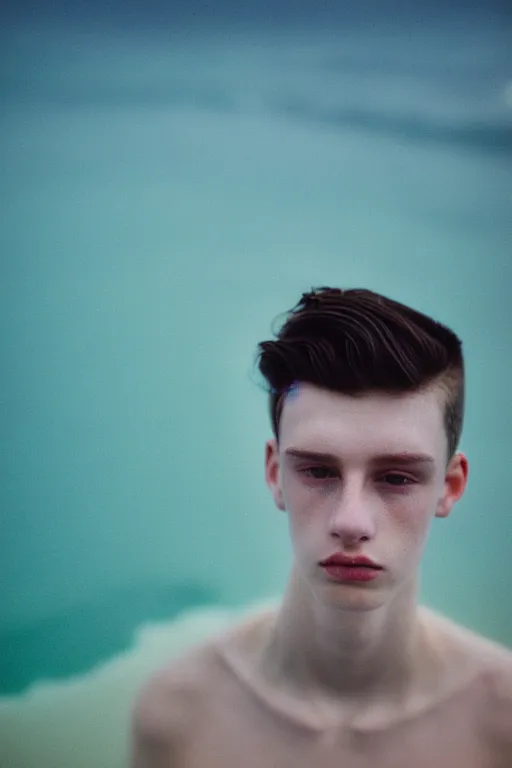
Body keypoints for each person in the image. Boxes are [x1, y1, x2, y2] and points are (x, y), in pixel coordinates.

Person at [130, 286, 512, 767]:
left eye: (396, 477)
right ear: (275, 474)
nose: (350, 521)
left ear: (450, 485)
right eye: (317, 471)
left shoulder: (501, 723)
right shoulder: (179, 714)